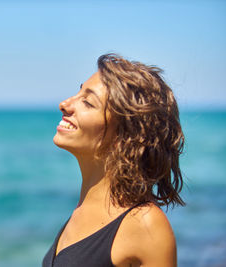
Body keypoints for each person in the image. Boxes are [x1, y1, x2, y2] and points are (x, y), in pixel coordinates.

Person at [42, 53, 185, 267]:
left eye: (88, 102)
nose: (64, 104)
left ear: (124, 137)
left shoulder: (145, 224)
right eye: (78, 92)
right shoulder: (81, 209)